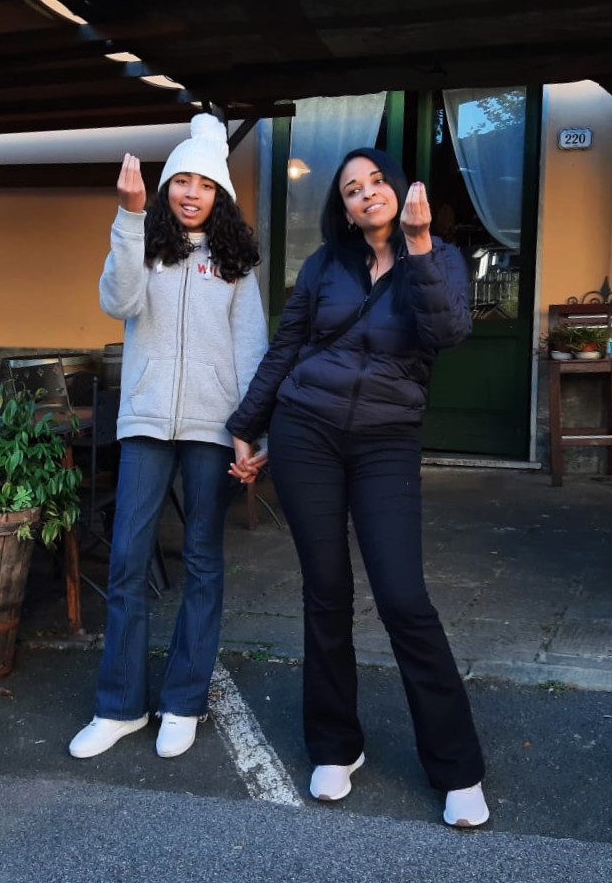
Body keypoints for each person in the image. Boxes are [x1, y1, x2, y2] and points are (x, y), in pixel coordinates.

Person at [226, 147, 490, 828]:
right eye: (351, 188)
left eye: (376, 181)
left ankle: (457, 767)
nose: (366, 193)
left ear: (398, 191)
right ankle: (334, 746)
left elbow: (449, 331)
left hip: (386, 440)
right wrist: (246, 426)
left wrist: (419, 244)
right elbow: (285, 348)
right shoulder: (324, 266)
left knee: (403, 598)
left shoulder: (440, 258)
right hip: (305, 433)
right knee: (326, 592)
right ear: (342, 208)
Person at [69, 114, 268, 761]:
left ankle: (183, 701)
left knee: (203, 562)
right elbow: (118, 302)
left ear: (220, 195)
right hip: (146, 421)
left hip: (214, 428)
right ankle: (119, 706)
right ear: (165, 188)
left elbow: (250, 347)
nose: (191, 193)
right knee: (127, 558)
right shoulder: (143, 244)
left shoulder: (235, 263)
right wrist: (128, 217)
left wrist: (249, 430)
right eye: (181, 181)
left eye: (204, 184)